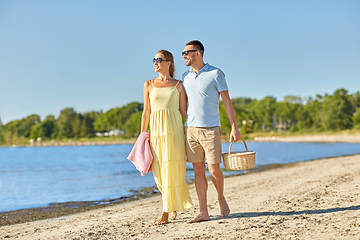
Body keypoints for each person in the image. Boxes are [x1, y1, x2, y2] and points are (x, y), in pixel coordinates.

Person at [181, 40, 242, 223]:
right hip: (190, 130)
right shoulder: (185, 76)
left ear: (197, 53)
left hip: (211, 130)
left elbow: (227, 102)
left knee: (214, 170)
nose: (183, 56)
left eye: (186, 52)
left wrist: (234, 127)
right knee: (198, 170)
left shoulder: (216, 73)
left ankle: (221, 196)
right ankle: (203, 211)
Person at [141, 49, 192, 225]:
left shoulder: (179, 85)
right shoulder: (148, 84)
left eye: (159, 59)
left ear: (169, 63)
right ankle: (171, 203)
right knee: (159, 172)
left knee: (173, 170)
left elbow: (184, 113)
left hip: (174, 133)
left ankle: (165, 211)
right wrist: (143, 135)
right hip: (156, 134)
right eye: (154, 59)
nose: (155, 62)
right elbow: (146, 112)